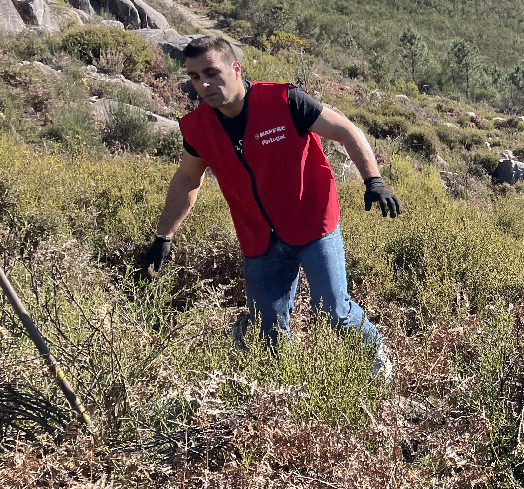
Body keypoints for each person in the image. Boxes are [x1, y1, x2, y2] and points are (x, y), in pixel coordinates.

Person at [140, 36, 402, 379]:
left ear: (235, 68)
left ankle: (375, 354)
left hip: (312, 224)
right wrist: (164, 236)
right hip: (259, 238)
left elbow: (346, 130)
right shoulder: (198, 128)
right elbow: (188, 179)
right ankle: (284, 391)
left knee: (333, 311)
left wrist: (374, 181)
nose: (202, 84)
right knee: (270, 333)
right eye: (193, 76)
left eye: (211, 72)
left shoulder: (283, 100)